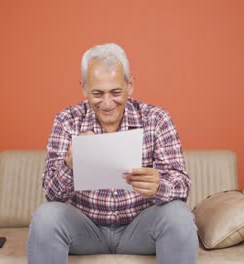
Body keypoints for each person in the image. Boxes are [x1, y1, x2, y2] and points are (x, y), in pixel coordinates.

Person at [27, 43, 198, 264]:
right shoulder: (67, 121)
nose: (107, 103)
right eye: (97, 93)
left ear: (130, 85)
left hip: (140, 230)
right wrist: (69, 167)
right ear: (84, 88)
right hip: (86, 231)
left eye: (116, 92)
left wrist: (159, 186)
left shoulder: (156, 119)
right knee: (45, 216)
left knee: (178, 214)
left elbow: (182, 185)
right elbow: (51, 194)